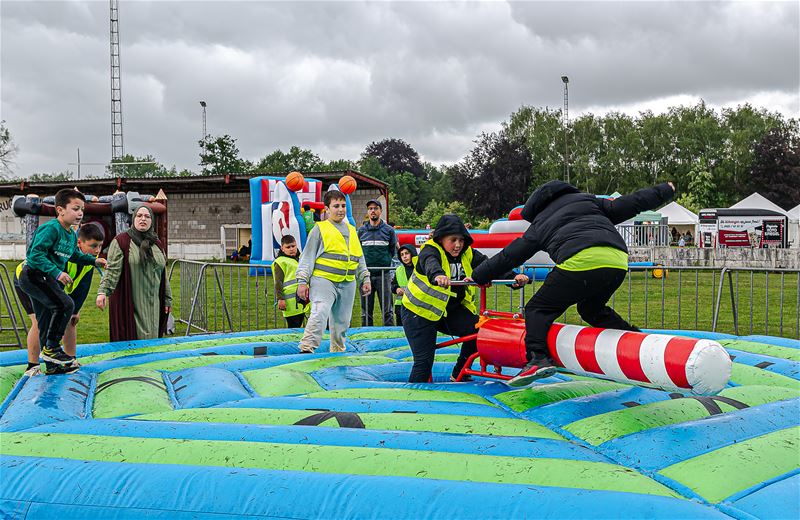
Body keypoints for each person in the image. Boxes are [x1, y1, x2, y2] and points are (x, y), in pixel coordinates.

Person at [472, 180, 676, 386]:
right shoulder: (590, 202)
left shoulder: (541, 221)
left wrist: (479, 275)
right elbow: (633, 202)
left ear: (536, 208)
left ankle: (538, 358)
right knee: (591, 309)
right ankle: (635, 340)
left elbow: (510, 256)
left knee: (538, 308)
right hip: (617, 261)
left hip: (581, 262)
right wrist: (665, 191)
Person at [401, 214, 527, 383]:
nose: (458, 245)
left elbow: (489, 266)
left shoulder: (467, 253)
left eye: (461, 240)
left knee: (478, 331)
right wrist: (438, 275)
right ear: (441, 239)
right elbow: (430, 263)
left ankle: (459, 374)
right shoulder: (430, 250)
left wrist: (513, 279)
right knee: (423, 361)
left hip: (448, 311)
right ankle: (414, 400)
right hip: (418, 313)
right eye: (453, 240)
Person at [17, 189, 107, 375]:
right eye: (75, 208)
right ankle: (51, 349)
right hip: (33, 276)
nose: (80, 213)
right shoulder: (51, 229)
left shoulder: (70, 235)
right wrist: (57, 273)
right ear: (60, 210)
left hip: (44, 278)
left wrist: (93, 260)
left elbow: (73, 255)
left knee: (46, 319)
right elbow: (35, 255)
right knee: (65, 304)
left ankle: (52, 366)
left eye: (82, 209)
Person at [296, 190, 370, 353]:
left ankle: (337, 350)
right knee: (320, 311)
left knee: (342, 321)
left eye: (343, 206)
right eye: (336, 206)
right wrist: (302, 281)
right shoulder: (319, 229)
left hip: (347, 281)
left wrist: (365, 278)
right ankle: (307, 348)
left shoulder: (352, 230)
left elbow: (359, 256)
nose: (341, 209)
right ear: (327, 209)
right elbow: (307, 257)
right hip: (324, 280)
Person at [96, 204, 172, 341]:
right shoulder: (121, 241)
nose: (143, 219)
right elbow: (112, 270)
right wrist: (103, 292)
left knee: (153, 341)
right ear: (133, 218)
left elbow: (163, 274)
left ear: (152, 221)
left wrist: (167, 300)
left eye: (147, 216)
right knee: (134, 339)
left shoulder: (157, 244)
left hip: (154, 303)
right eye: (139, 216)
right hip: (131, 302)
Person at [358, 199, 397, 326]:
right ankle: (365, 336)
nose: (373, 211)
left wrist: (385, 263)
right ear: (368, 212)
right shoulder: (362, 231)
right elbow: (358, 252)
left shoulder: (389, 231)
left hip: (383, 275)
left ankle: (389, 334)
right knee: (366, 310)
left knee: (387, 310)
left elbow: (392, 250)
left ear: (380, 211)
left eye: (375, 208)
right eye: (370, 209)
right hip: (366, 275)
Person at [272, 234, 308, 328]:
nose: (291, 249)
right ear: (282, 248)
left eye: (293, 246)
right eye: (288, 247)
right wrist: (280, 299)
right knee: (294, 328)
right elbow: (278, 282)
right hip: (291, 303)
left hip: (303, 301)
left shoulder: (300, 259)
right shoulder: (281, 262)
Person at [390, 244, 417, 326]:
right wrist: (396, 289)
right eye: (402, 255)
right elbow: (393, 285)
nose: (404, 256)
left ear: (412, 253)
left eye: (407, 253)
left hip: (417, 307)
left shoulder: (420, 269)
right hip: (401, 307)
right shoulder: (399, 270)